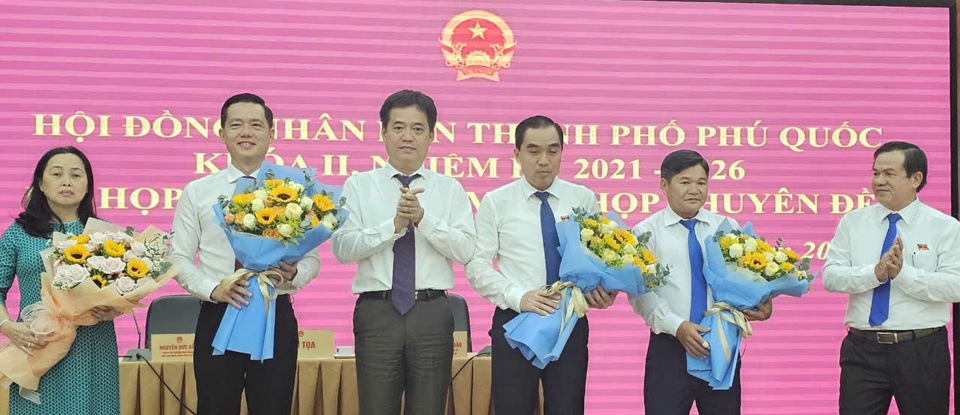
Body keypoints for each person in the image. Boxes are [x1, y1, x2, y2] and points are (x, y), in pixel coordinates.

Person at [171, 93, 320, 414]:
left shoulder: (294, 189)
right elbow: (178, 257)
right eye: (236, 125)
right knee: (215, 406)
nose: (246, 132)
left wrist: (298, 273)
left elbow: (312, 258)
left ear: (271, 133)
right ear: (222, 133)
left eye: (256, 125)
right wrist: (213, 289)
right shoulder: (198, 191)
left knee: (273, 407)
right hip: (217, 314)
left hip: (275, 313)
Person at [331, 89, 476, 415]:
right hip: (377, 314)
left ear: (431, 135)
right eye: (398, 127)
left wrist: (424, 220)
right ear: (383, 133)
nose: (407, 136)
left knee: (429, 408)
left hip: (432, 313)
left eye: (417, 128)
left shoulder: (450, 189)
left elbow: (467, 250)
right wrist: (393, 227)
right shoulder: (358, 185)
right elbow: (342, 248)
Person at [465, 115, 616, 415]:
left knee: (568, 408)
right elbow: (477, 265)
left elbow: (600, 259)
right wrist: (518, 297)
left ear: (562, 151)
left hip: (569, 321)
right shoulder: (496, 202)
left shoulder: (582, 197)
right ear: (517, 154)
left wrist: (606, 290)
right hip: (516, 321)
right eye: (533, 151)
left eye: (553, 150)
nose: (544, 160)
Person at [822, 141, 960, 415]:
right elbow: (831, 277)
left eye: (888, 174)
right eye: (875, 173)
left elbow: (955, 287)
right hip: (862, 351)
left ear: (915, 179)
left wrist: (903, 275)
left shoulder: (944, 226)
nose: (879, 181)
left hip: (921, 350)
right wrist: (875, 273)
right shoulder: (853, 222)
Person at [630, 149, 772, 415]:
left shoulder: (726, 226)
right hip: (670, 347)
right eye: (685, 182)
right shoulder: (645, 232)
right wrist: (678, 327)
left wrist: (762, 303)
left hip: (720, 342)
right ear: (664, 185)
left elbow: (747, 277)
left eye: (701, 182)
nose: (694, 190)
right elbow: (642, 295)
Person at [0, 146, 122, 414]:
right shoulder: (18, 233)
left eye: (76, 175)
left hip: (92, 345)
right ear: (41, 184)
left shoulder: (103, 235)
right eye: (57, 174)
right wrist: (7, 325)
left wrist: (112, 308)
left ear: (88, 186)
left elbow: (122, 290)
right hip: (38, 342)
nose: (67, 181)